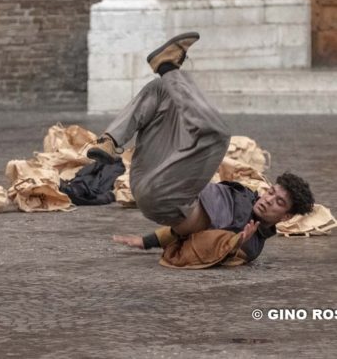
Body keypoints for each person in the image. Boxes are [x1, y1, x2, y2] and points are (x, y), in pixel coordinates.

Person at [87, 32, 314, 264]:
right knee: (163, 89)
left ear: (286, 216)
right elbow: (176, 232)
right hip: (150, 176)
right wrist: (146, 242)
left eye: (278, 202)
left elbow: (199, 242)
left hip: (167, 198)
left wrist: (233, 245)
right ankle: (110, 140)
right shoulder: (247, 195)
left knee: (217, 137)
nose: (268, 199)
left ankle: (166, 65)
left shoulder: (251, 243)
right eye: (272, 192)